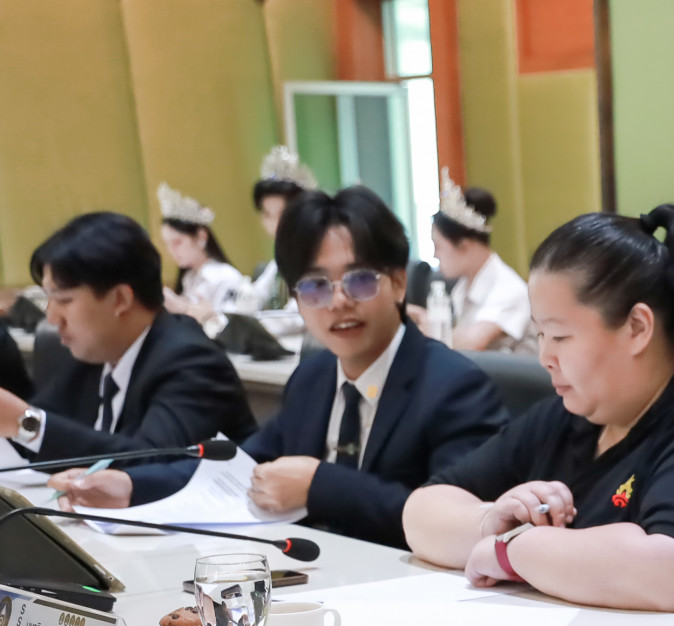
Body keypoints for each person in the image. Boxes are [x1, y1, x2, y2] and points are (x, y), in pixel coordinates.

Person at [401, 204, 674, 626]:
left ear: (637, 328)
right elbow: (421, 512)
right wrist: (490, 521)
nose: (545, 356)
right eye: (540, 334)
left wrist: (513, 549)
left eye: (561, 336)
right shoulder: (571, 417)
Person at [54, 188, 508, 549]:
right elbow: (239, 469)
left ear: (398, 282)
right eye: (314, 286)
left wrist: (320, 485)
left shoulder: (453, 386)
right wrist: (130, 485)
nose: (338, 301)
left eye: (359, 280)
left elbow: (462, 523)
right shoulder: (313, 378)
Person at [0, 212, 256, 459]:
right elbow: (47, 436)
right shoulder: (94, 354)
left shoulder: (192, 362)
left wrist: (26, 423)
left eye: (64, 300)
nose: (52, 317)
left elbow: (152, 462)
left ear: (120, 299)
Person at [408, 169, 533, 353]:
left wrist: (430, 327)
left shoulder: (508, 289)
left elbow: (473, 341)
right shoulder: (463, 286)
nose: (435, 255)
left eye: (438, 246)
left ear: (465, 246)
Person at [235, 146, 319, 313]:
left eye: (282, 214)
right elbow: (256, 297)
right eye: (267, 215)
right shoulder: (279, 259)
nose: (275, 223)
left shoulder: (317, 254)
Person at [157, 183, 248, 323]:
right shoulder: (189, 277)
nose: (172, 251)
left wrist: (186, 309)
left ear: (201, 236)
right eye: (168, 244)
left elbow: (234, 326)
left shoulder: (225, 276)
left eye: (177, 242)